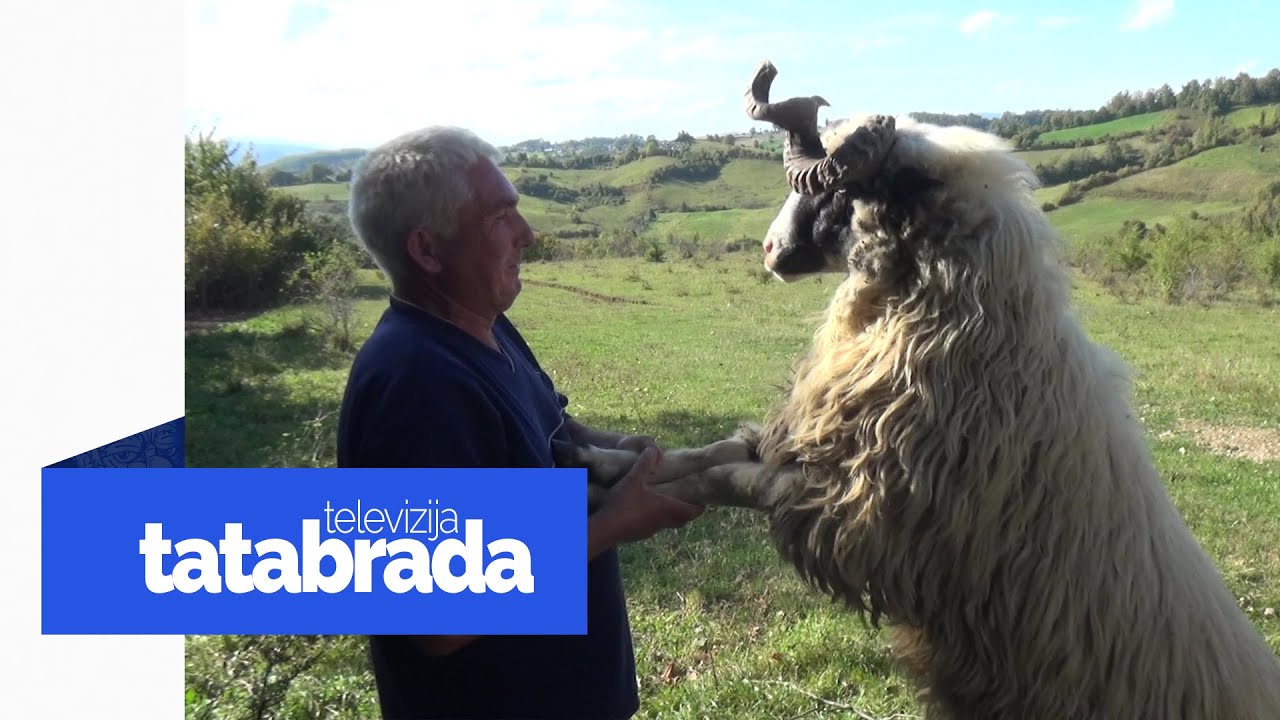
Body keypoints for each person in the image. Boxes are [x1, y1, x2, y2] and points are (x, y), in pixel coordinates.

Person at [337, 125, 706, 720]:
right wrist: (614, 522)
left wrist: (609, 444)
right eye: (499, 218)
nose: (528, 235)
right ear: (428, 251)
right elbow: (438, 622)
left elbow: (548, 429)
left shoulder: (483, 324)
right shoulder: (415, 385)